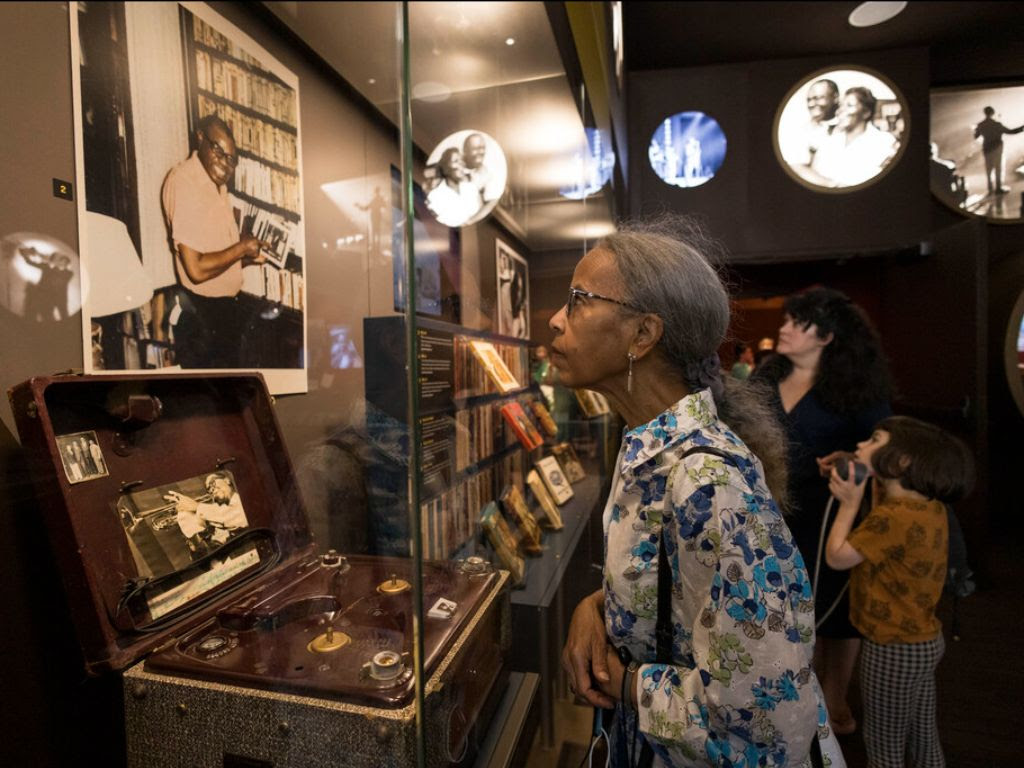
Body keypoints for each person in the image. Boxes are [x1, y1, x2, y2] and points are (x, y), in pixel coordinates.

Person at [556, 219, 841, 767]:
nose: (555, 319)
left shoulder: (709, 483)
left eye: (578, 300)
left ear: (643, 334)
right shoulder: (648, 452)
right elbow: (678, 595)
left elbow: (769, 719)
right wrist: (595, 608)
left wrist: (627, 683)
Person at [751, 287, 892, 737]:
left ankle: (835, 697)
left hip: (830, 511)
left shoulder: (857, 387)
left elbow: (883, 450)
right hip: (769, 510)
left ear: (827, 336)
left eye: (798, 322)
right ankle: (799, 692)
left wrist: (848, 461)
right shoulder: (765, 375)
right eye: (788, 318)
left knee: (836, 606)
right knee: (788, 603)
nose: (785, 327)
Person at [826, 416, 974, 768]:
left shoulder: (893, 518)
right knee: (923, 736)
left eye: (874, 440)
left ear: (902, 461)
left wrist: (848, 504)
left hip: (891, 647)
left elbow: (836, 557)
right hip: (922, 642)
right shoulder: (925, 505)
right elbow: (884, 501)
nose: (862, 444)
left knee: (883, 746)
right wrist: (859, 467)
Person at [161, 114, 268, 369]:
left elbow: (216, 258)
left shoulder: (214, 182)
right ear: (200, 138)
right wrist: (241, 247)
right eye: (218, 150)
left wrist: (246, 259)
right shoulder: (185, 183)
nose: (224, 164)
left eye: (231, 159)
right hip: (203, 317)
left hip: (224, 313)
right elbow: (196, 270)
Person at [810, 87, 897, 188]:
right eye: (840, 106)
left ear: (866, 113)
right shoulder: (830, 139)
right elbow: (815, 172)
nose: (840, 111)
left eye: (849, 105)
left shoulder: (884, 141)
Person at [167, 472, 249, 557]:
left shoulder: (241, 498)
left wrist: (196, 506)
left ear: (227, 480)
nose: (211, 490)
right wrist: (186, 518)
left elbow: (235, 515)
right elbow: (207, 550)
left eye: (212, 483)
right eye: (208, 489)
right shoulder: (214, 512)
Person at [789, 78, 840, 180]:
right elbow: (797, 167)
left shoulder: (854, 124)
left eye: (818, 98)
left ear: (835, 98)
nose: (811, 104)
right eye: (809, 100)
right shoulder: (802, 131)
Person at [425, 147, 481, 227]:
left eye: (461, 160)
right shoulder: (434, 196)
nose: (461, 164)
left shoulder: (472, 188)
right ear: (446, 167)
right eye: (456, 161)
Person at [973, 106, 1024, 195]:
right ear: (993, 113)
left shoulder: (980, 125)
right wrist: (1022, 128)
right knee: (998, 168)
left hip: (987, 148)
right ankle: (998, 188)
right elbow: (1011, 132)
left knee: (988, 168)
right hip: (997, 148)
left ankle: (990, 188)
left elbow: (976, 136)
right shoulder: (997, 124)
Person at [462, 132, 503, 205]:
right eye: (475, 148)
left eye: (483, 148)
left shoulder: (488, 175)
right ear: (465, 150)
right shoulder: (455, 170)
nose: (481, 152)